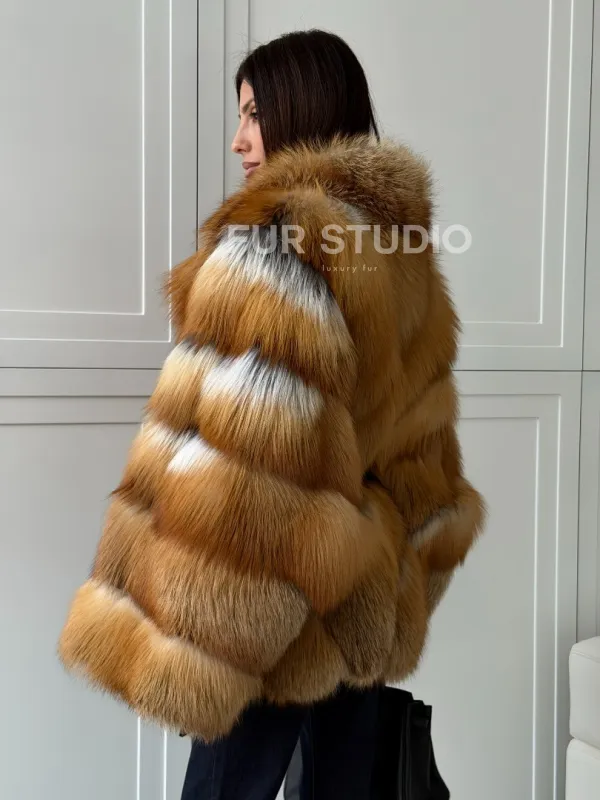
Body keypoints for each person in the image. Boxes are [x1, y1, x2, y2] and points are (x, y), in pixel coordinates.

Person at [57, 29, 485, 800]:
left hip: (269, 619)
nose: (239, 140)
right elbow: (426, 461)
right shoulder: (399, 250)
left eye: (254, 113)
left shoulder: (281, 246)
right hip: (361, 602)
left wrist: (207, 652)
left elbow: (254, 473)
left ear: (301, 110)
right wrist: (389, 588)